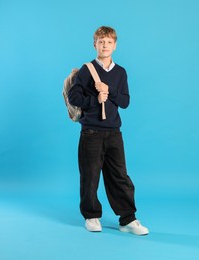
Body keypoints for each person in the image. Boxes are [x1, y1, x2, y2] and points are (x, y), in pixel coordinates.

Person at [68, 26, 149, 235]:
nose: (105, 45)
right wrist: (95, 100)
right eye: (101, 41)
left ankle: (127, 219)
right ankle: (92, 216)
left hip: (114, 132)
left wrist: (108, 89)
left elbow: (125, 101)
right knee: (90, 176)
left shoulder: (121, 72)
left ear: (115, 45)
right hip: (91, 133)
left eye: (109, 42)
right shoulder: (87, 70)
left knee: (120, 176)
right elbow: (74, 98)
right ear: (94, 44)